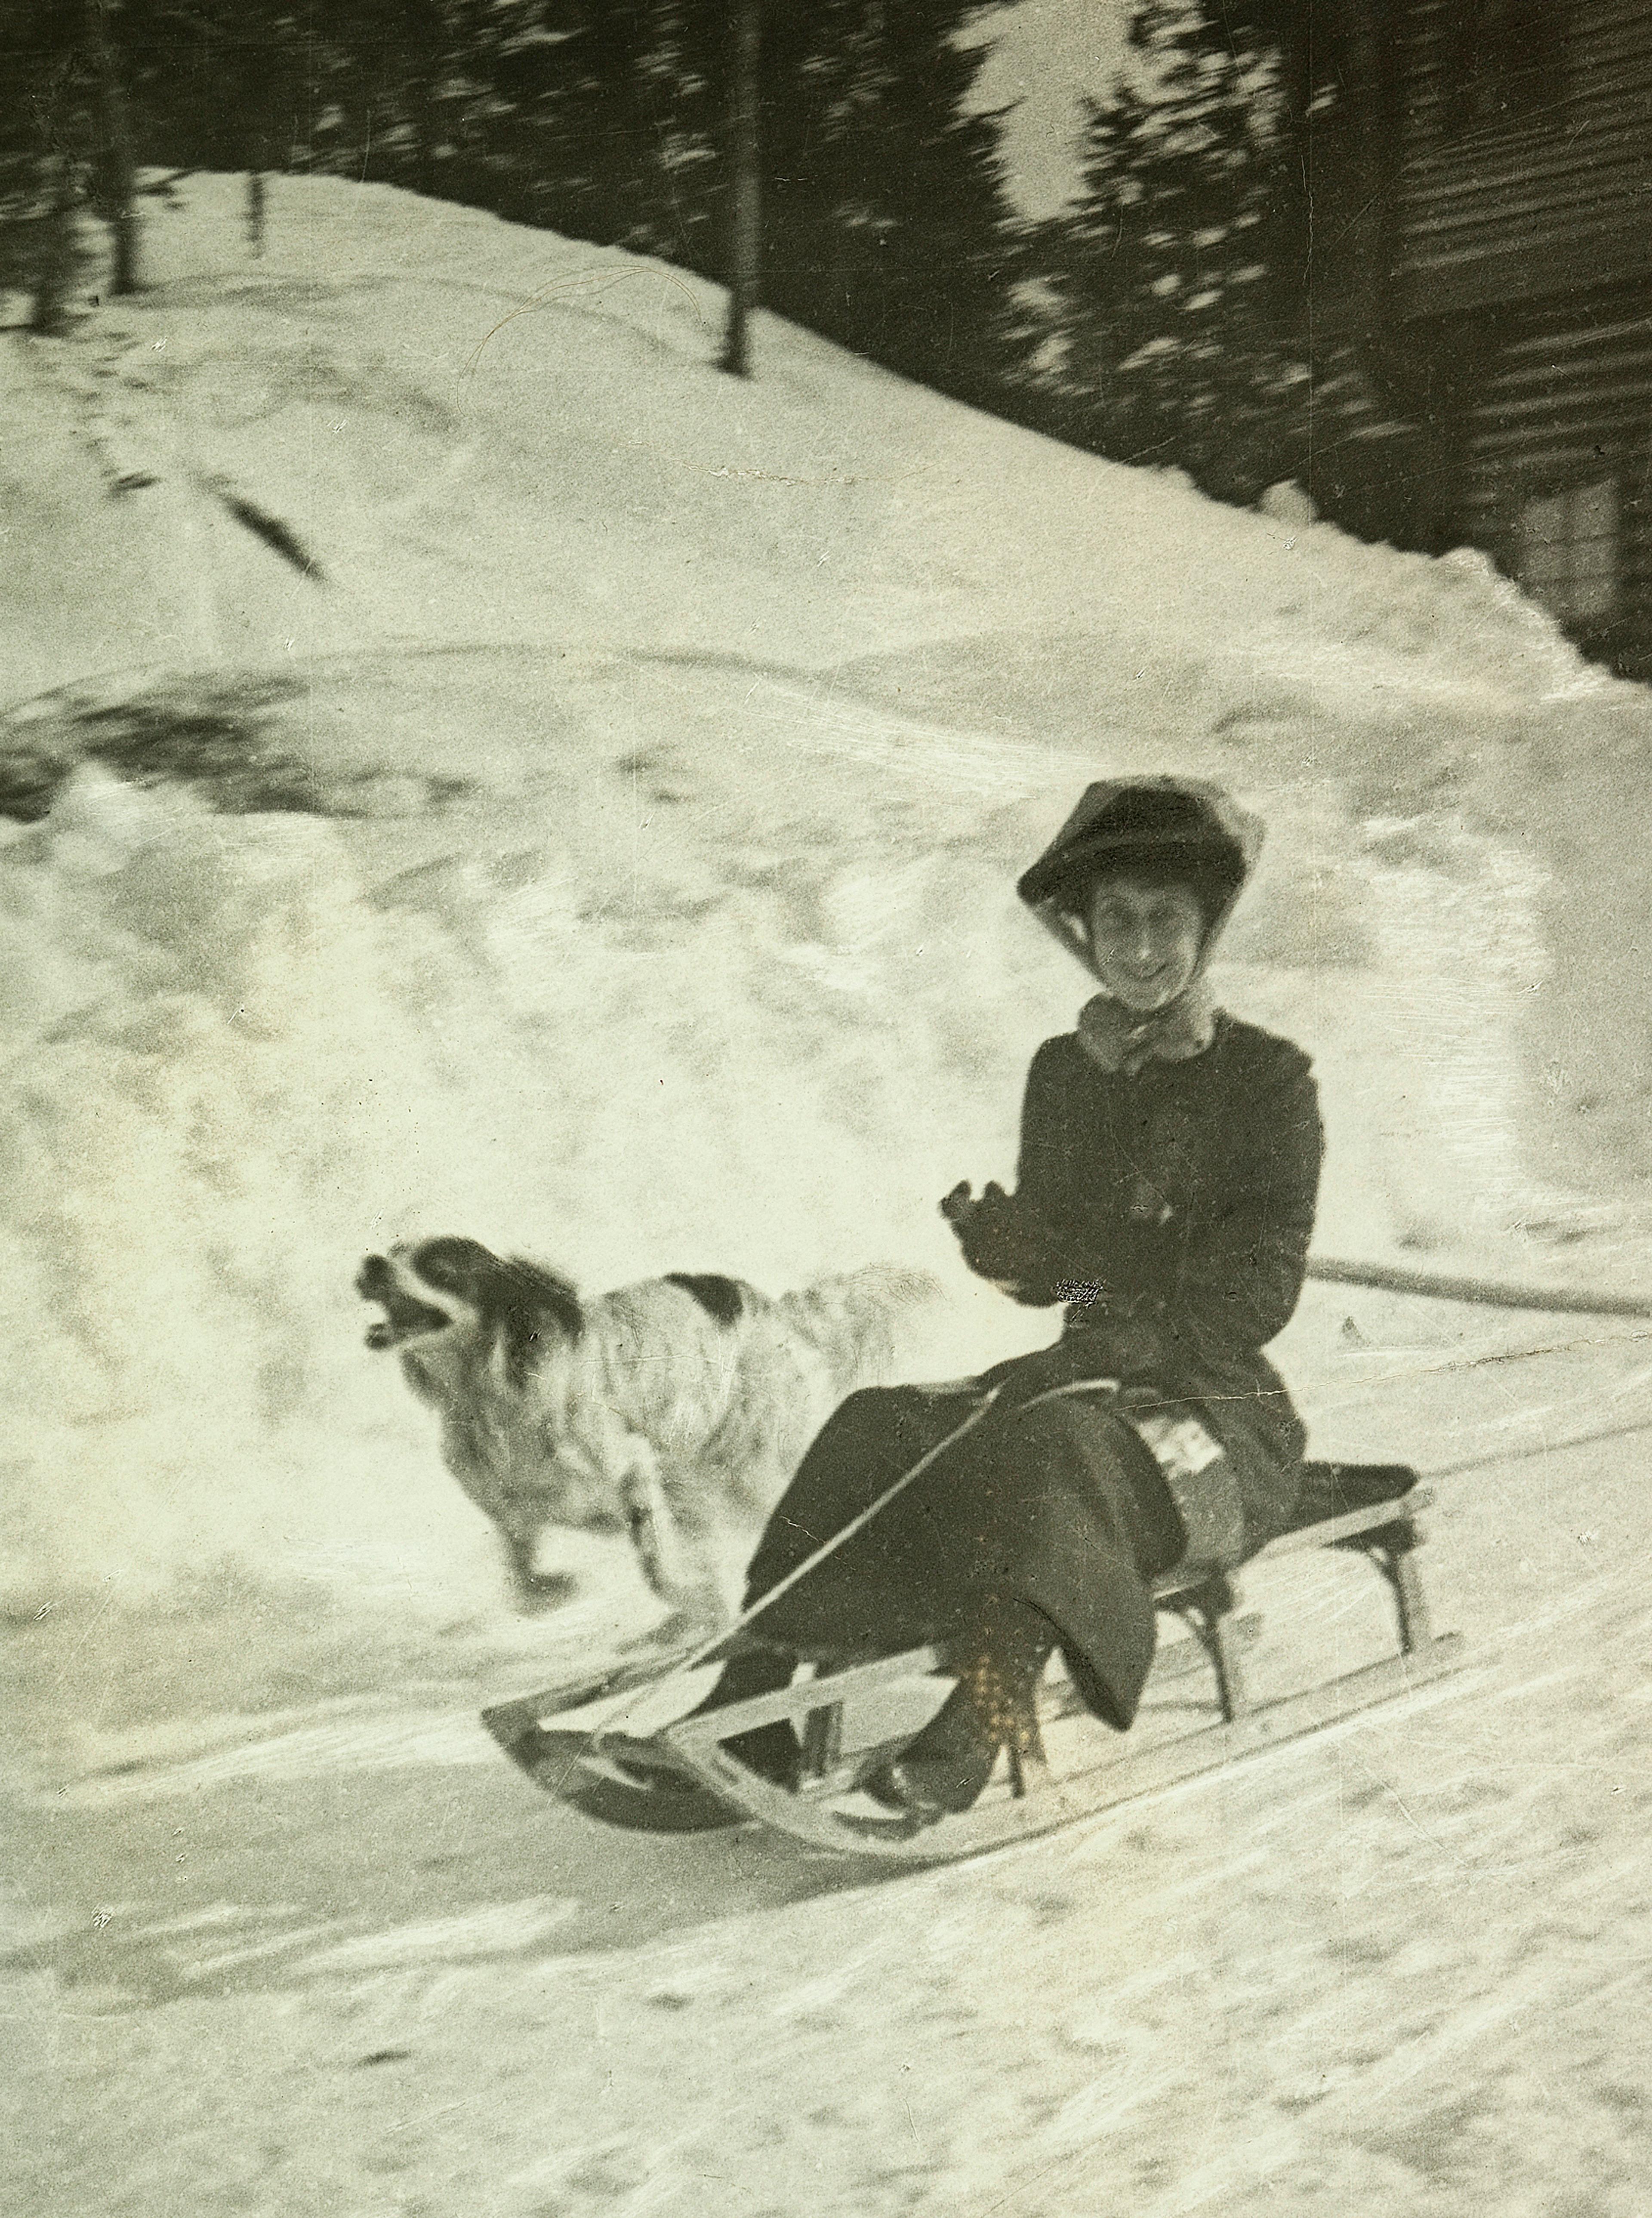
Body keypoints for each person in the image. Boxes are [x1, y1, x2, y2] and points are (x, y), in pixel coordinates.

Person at [695, 776, 1325, 1820]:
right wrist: (1021, 1254)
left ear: (1208, 925)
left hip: (1220, 1410)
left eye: (1166, 919)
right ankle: (752, 1700)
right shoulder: (1064, 1073)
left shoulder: (1268, 1081)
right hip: (1083, 1379)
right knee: (876, 1424)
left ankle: (983, 1719)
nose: (1137, 948)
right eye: (1114, 919)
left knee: (1055, 1455)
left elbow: (1262, 1287)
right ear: (1083, 931)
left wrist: (1126, 1333)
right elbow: (1070, 1277)